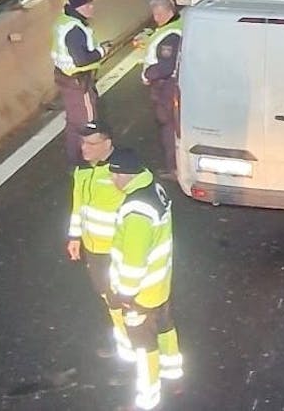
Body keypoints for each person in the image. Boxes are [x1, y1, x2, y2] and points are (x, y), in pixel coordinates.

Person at [106, 149, 182, 409]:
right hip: (160, 285)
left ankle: (147, 400)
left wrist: (126, 294)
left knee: (144, 347)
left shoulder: (136, 210)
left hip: (141, 293)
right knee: (165, 328)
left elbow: (133, 259)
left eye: (113, 173)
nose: (111, 179)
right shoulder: (153, 188)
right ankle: (173, 375)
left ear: (123, 175)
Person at [65, 121, 132, 363]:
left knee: (120, 302)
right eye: (83, 142)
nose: (85, 148)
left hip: (117, 250)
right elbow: (78, 208)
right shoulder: (82, 172)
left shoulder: (121, 171)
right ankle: (126, 345)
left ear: (108, 144)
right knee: (109, 300)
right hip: (94, 251)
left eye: (92, 144)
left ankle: (130, 352)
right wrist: (75, 236)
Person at [52, 0, 106, 163]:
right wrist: (101, 51)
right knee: (87, 122)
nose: (92, 8)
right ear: (79, 7)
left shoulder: (65, 21)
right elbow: (81, 60)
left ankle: (74, 159)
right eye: (88, 5)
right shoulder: (75, 29)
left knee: (73, 122)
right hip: (78, 81)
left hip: (66, 78)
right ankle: (85, 161)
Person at [140, 0, 184, 179]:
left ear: (169, 11)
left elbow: (166, 66)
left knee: (169, 126)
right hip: (172, 84)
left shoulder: (170, 36)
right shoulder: (175, 26)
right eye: (154, 14)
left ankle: (174, 167)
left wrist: (147, 75)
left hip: (166, 87)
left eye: (159, 14)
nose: (156, 17)